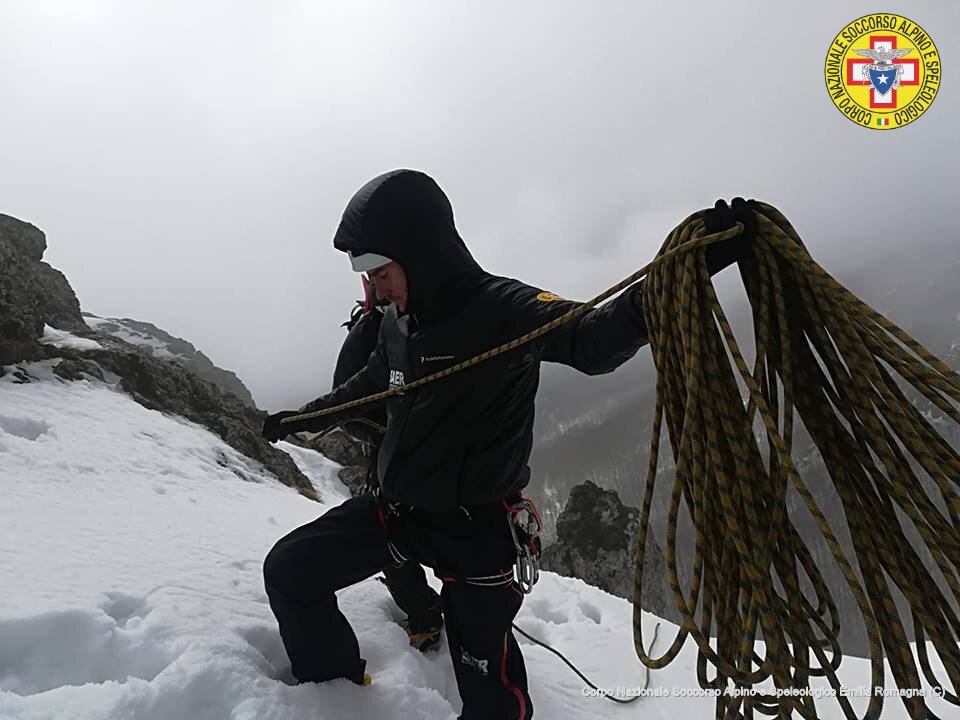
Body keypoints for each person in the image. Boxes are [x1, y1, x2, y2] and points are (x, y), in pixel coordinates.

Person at [261, 170, 754, 719]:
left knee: (490, 694)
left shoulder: (500, 308)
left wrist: (683, 271)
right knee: (291, 570)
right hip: (401, 512)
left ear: (419, 253)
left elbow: (592, 340)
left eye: (381, 272)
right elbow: (372, 383)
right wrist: (301, 418)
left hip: (478, 534)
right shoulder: (398, 325)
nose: (375, 290)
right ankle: (337, 701)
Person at [332, 277, 444, 651]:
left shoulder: (401, 324)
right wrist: (392, 433)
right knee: (390, 532)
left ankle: (428, 611)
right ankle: (426, 613)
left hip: (401, 449)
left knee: (393, 533)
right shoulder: (379, 330)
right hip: (397, 452)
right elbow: (348, 409)